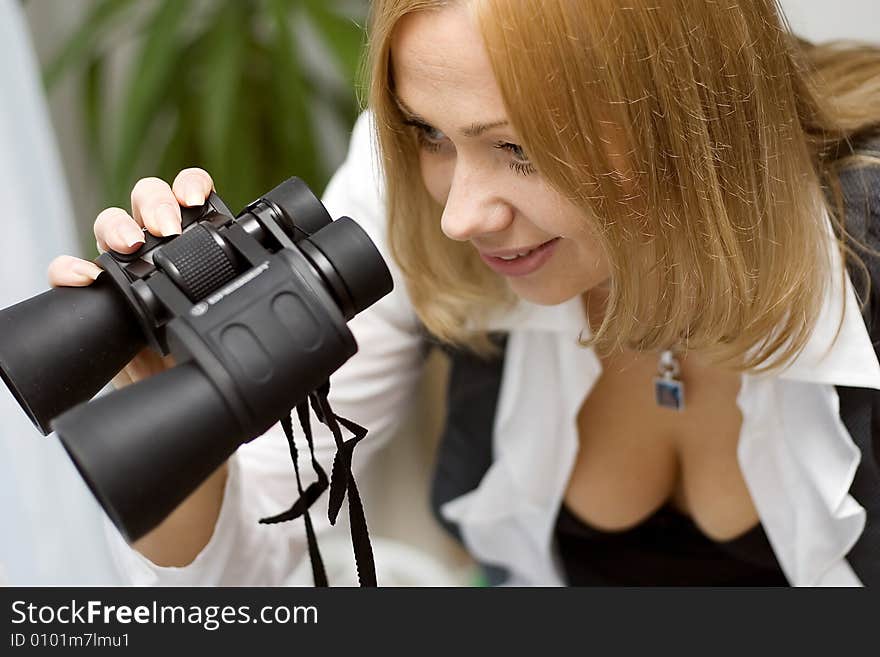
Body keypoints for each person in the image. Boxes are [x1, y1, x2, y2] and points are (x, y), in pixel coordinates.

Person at [48, 0, 880, 586]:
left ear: (685, 120)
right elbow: (252, 568)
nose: (459, 216)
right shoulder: (410, 187)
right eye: (430, 135)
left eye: (519, 147)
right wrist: (188, 406)